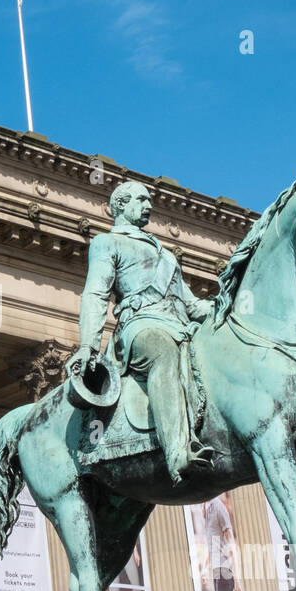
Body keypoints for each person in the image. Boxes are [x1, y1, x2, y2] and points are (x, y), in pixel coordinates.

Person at [69, 180, 214, 484]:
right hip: (139, 327)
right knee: (162, 350)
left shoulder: (167, 256)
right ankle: (177, 453)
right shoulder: (108, 243)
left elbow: (191, 304)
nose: (149, 206)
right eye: (141, 200)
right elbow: (96, 294)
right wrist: (87, 345)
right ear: (120, 205)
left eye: (149, 200)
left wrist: (223, 307)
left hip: (178, 325)